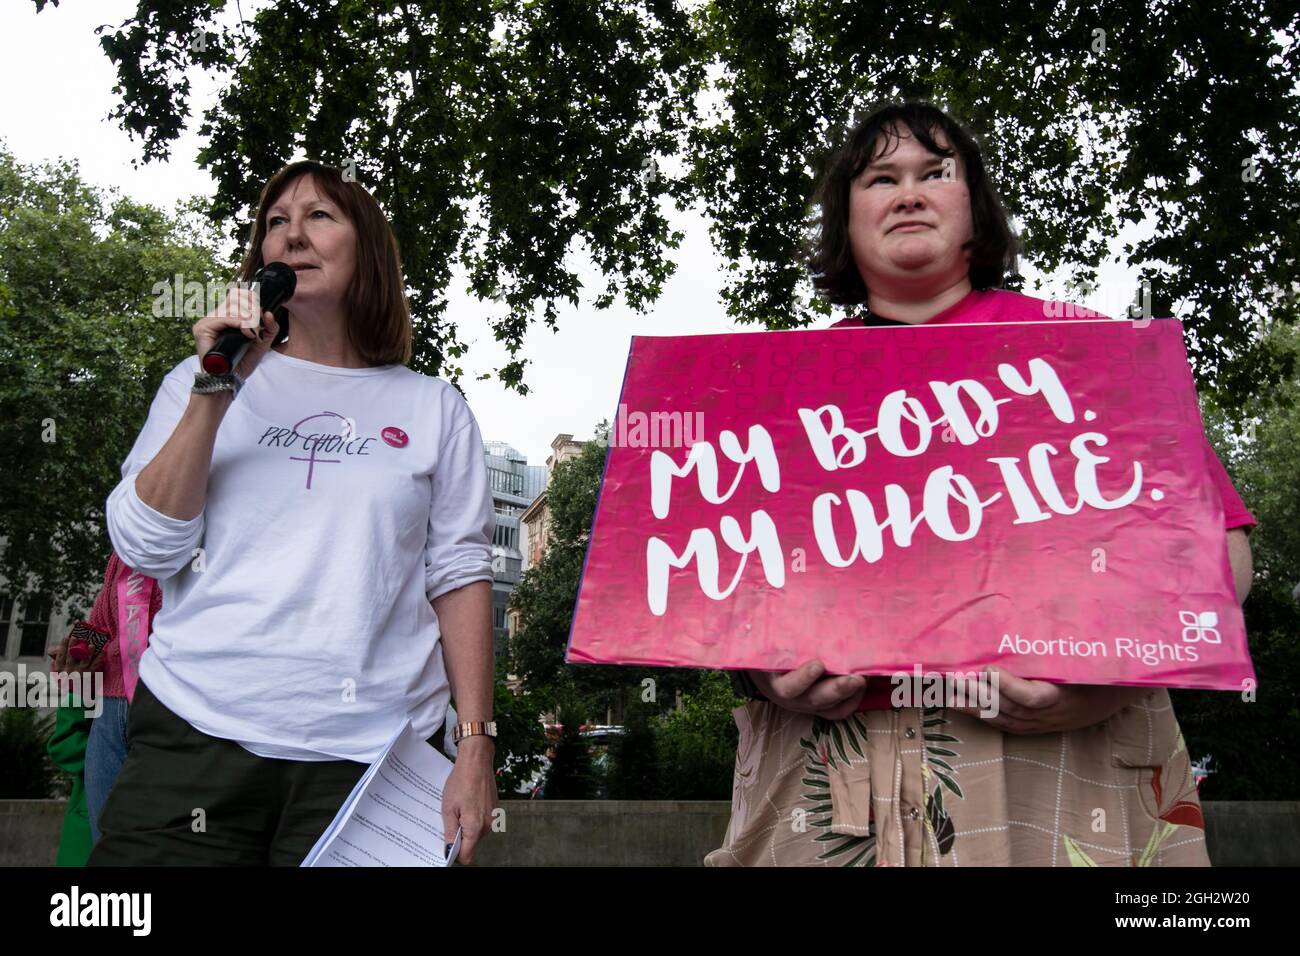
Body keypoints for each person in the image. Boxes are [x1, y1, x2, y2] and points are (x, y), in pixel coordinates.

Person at [710, 102, 1255, 867]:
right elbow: (720, 584)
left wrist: (1100, 684)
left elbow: (1220, 555)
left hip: (1068, 756)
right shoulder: (775, 391)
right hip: (821, 769)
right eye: (880, 178)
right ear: (845, 216)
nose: (908, 193)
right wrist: (763, 674)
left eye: (936, 173)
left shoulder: (1092, 350)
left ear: (976, 209)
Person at [88, 161, 498, 866]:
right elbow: (147, 547)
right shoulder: (200, 383)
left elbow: (459, 576)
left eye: (318, 217)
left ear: (366, 249)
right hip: (195, 736)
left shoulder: (433, 407)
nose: (291, 237)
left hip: (369, 759)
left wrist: (476, 745)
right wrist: (217, 385)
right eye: (275, 222)